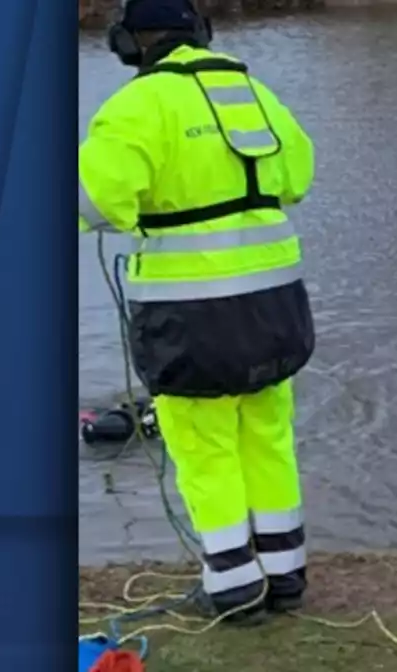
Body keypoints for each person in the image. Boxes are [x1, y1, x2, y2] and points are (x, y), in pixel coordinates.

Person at [78, 0, 317, 624]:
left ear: (131, 43)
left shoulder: (138, 105)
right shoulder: (253, 90)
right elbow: (297, 177)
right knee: (267, 438)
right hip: (275, 308)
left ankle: (235, 591)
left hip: (191, 317)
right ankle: (285, 578)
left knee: (204, 449)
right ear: (201, 32)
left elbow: (98, 203)